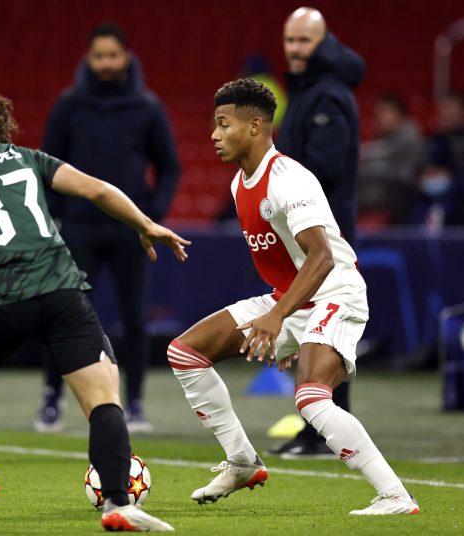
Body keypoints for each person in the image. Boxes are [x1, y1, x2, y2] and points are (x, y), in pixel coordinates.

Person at [0, 80, 186, 531]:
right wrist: (146, 224)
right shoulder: (26, 157)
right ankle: (117, 502)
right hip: (60, 293)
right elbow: (97, 189)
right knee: (103, 398)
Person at [167, 77, 419, 515]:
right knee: (184, 352)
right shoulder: (237, 183)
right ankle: (243, 461)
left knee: (311, 397)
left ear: (255, 126)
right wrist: (286, 318)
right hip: (292, 300)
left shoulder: (289, 179)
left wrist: (279, 318)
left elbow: (321, 258)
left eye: (223, 124)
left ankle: (396, 496)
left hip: (335, 292)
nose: (213, 134)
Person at [39, 22, 181, 433]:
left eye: (112, 56)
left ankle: (134, 404)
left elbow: (170, 167)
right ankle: (51, 398)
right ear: (88, 59)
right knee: (63, 314)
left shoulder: (147, 107)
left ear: (126, 58)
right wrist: (54, 217)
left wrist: (151, 215)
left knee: (135, 320)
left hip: (129, 232)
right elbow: (45, 165)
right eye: (98, 56)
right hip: (78, 228)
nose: (106, 63)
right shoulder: (69, 105)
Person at [268, 7, 364, 458]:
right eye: (290, 41)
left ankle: (328, 430)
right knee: (311, 327)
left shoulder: (328, 96)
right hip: (306, 232)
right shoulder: (307, 92)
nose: (295, 50)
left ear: (323, 43)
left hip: (325, 234)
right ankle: (319, 428)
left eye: (304, 41)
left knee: (326, 332)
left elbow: (320, 170)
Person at [358, 94, 424, 224]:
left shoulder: (410, 142)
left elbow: (406, 176)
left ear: (400, 115)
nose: (379, 117)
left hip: (396, 209)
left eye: (385, 111)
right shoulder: (380, 142)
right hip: (371, 205)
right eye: (377, 113)